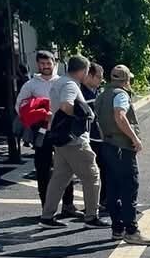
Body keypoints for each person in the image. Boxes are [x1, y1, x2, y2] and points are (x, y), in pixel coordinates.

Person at [41, 55, 107, 228]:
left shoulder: (59, 82)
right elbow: (66, 105)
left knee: (59, 178)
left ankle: (47, 216)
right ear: (84, 70)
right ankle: (91, 217)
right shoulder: (70, 85)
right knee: (92, 176)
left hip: (61, 139)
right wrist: (82, 117)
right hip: (75, 140)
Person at [15, 50, 79, 216]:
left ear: (54, 63)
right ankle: (46, 208)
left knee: (67, 167)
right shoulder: (30, 85)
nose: (45, 66)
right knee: (43, 169)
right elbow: (20, 106)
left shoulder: (63, 82)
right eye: (42, 64)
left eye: (48, 63)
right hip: (42, 132)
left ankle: (68, 205)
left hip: (62, 131)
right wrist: (36, 115)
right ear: (38, 64)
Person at [96, 65, 150, 245]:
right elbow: (120, 116)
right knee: (129, 188)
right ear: (126, 80)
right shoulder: (121, 95)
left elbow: (98, 120)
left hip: (108, 145)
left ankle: (117, 228)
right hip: (122, 148)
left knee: (113, 189)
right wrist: (134, 138)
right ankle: (131, 230)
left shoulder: (102, 95)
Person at [81, 62, 108, 210]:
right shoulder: (83, 94)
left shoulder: (95, 91)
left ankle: (102, 200)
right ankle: (93, 205)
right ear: (89, 76)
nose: (101, 80)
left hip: (99, 138)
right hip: (90, 138)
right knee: (92, 173)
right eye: (98, 77)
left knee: (103, 170)